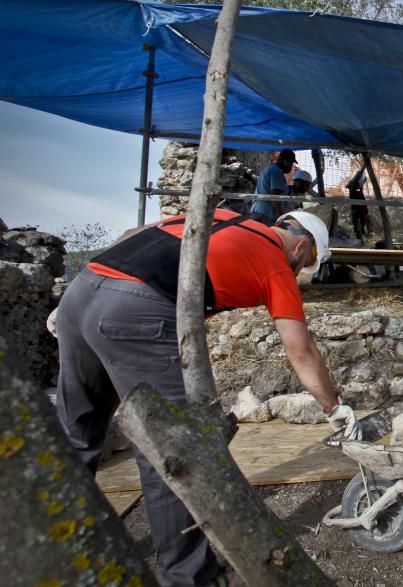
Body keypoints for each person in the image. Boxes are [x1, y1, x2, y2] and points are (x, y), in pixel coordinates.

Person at [55, 208, 360, 587]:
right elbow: (301, 351)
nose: (302, 270)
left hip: (82, 290)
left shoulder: (220, 214)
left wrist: (107, 288)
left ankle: (56, 540)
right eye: (310, 261)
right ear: (300, 246)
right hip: (136, 312)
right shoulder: (277, 265)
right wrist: (333, 405)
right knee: (176, 451)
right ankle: (188, 576)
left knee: (76, 433)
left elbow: (131, 233)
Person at [249, 148, 296, 225]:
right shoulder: (277, 172)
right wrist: (281, 218)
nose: (291, 166)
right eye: (291, 163)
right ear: (285, 161)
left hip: (256, 210)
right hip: (266, 214)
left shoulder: (268, 169)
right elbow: (274, 198)